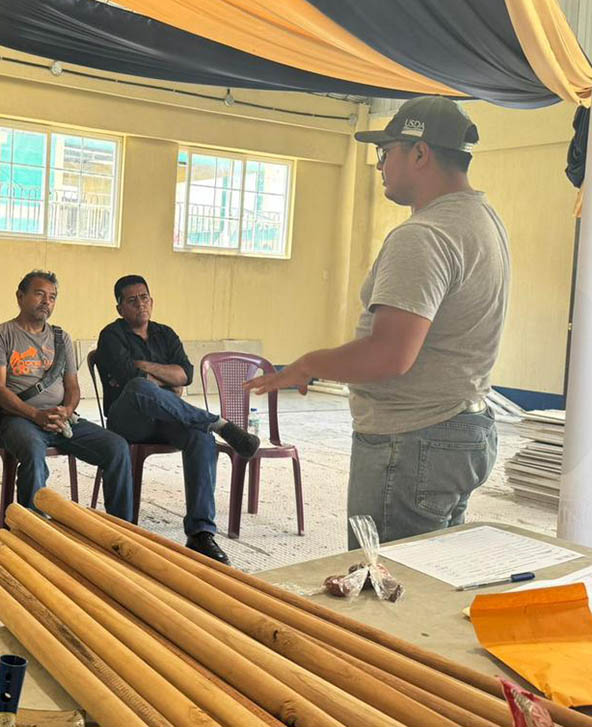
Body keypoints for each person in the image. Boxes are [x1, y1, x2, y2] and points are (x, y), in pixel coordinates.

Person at [246, 96, 509, 549]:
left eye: (385, 153)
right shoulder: (483, 220)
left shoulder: (423, 236)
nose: (380, 165)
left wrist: (308, 365)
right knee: (429, 573)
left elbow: (389, 355)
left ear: (420, 153)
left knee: (383, 580)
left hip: (411, 443)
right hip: (461, 428)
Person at [97, 275, 260, 564]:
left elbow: (186, 375)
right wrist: (163, 378)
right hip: (128, 421)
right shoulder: (111, 335)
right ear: (120, 308)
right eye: (132, 300)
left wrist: (147, 368)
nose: (140, 304)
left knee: (200, 437)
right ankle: (218, 422)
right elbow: (131, 377)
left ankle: (200, 533)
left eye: (144, 298)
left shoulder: (166, 334)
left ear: (152, 301)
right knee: (138, 388)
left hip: (166, 418)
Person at [0, 270, 133, 520]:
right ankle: (32, 529)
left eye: (52, 297)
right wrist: (36, 415)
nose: (46, 302)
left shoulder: (61, 338)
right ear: (20, 297)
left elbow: (72, 387)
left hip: (62, 420)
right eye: (39, 294)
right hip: (19, 418)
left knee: (117, 447)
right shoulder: (1, 335)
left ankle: (121, 527)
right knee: (32, 452)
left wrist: (67, 411)